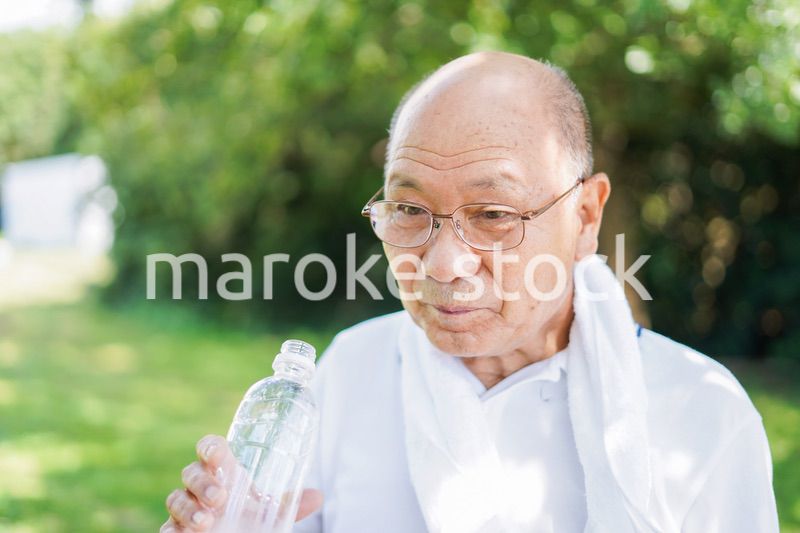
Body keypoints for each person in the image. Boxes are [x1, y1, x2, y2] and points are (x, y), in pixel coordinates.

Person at [160, 52, 780, 532]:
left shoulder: (701, 417)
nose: (445, 264)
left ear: (586, 217)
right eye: (408, 207)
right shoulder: (351, 371)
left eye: (493, 214)